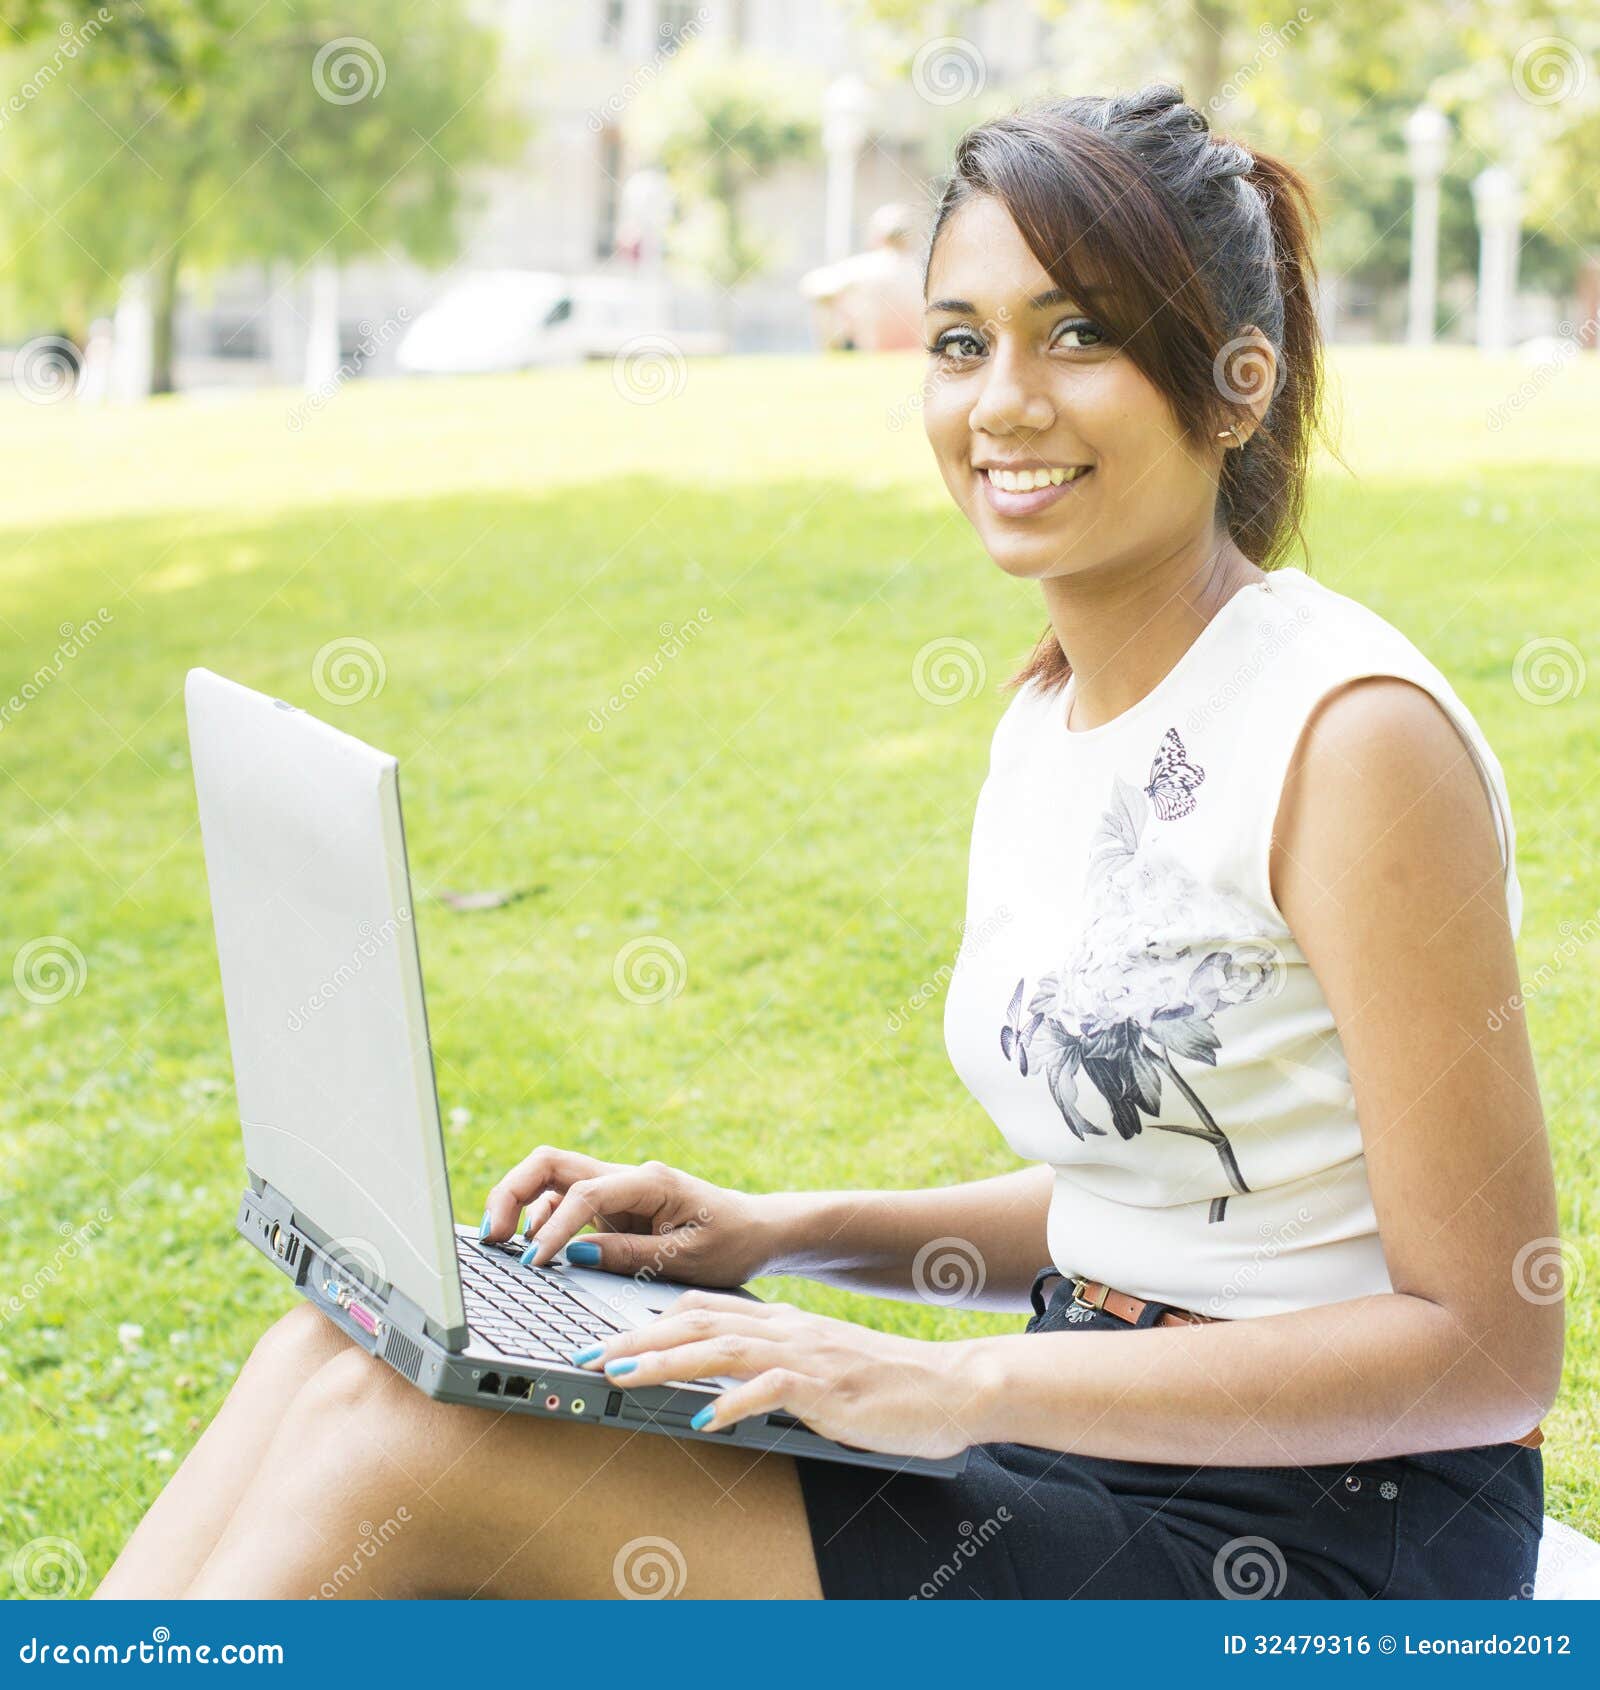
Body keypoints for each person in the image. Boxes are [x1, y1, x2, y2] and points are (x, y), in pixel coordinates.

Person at [99, 84, 1560, 1601]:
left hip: (1331, 1541)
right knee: (331, 1365)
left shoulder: (1353, 739)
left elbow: (1485, 1345)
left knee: (402, 1454)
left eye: (1080, 334)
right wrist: (785, 1233)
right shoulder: (1055, 714)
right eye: (958, 339)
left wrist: (954, 1386)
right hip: (1095, 1439)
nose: (1002, 399)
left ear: (1236, 385)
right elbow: (1179, 1196)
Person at [801, 202, 926, 352]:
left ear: (876, 235)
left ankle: (833, 357)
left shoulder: (865, 266)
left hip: (874, 349)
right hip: (917, 351)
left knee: (827, 301)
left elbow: (811, 288)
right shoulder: (926, 269)